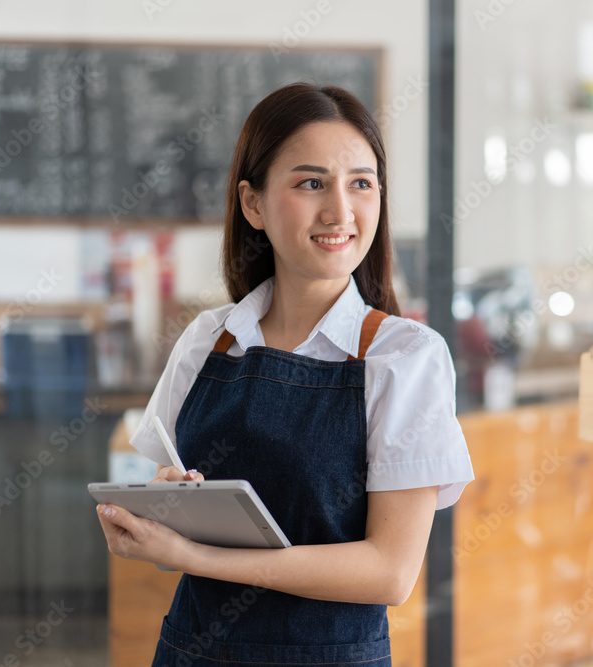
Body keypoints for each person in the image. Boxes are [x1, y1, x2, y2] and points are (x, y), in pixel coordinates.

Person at [95, 82, 474, 666]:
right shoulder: (209, 340)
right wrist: (160, 512)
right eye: (310, 183)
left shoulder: (404, 358)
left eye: (361, 184)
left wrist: (197, 557)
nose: (340, 212)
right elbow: (170, 511)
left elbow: (388, 573)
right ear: (253, 204)